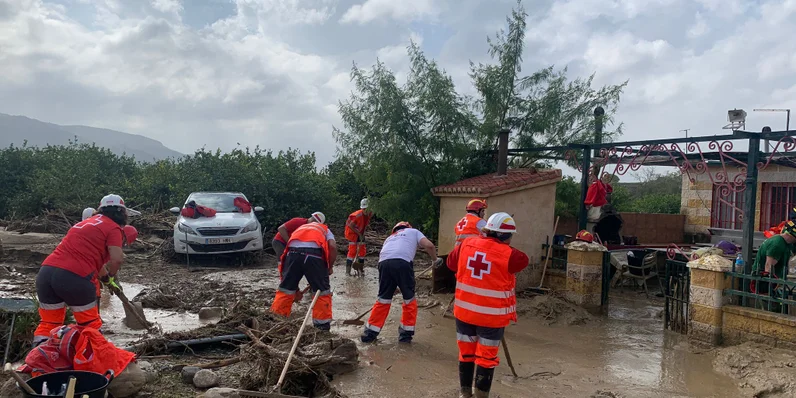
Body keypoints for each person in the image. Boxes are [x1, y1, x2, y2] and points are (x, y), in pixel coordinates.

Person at [446, 212, 529, 398]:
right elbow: (524, 260)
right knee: (486, 358)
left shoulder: (466, 245)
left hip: (464, 313)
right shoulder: (510, 255)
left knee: (466, 354)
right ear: (506, 236)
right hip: (491, 318)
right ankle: (482, 395)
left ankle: (464, 394)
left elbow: (451, 263)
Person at [33, 194, 130, 344]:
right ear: (121, 212)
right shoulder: (113, 228)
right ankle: (93, 362)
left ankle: (40, 358)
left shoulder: (83, 224)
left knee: (49, 324)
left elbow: (91, 261)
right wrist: (112, 274)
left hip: (46, 274)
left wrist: (106, 279)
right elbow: (117, 258)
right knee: (89, 326)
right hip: (74, 278)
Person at [360, 221, 438, 344]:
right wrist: (435, 260)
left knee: (383, 299)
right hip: (402, 263)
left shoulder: (389, 238)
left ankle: (370, 334)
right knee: (409, 300)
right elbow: (430, 246)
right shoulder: (414, 232)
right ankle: (405, 336)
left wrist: (393, 286)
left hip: (383, 264)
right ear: (408, 227)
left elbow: (389, 258)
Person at [270, 216, 337, 330]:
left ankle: (276, 320)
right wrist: (329, 267)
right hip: (314, 255)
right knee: (321, 291)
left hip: (292, 253)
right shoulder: (324, 229)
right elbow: (332, 246)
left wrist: (295, 290)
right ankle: (322, 327)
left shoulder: (301, 227)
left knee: (286, 288)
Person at [751, 220, 796, 312]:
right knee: (774, 310)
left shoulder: (786, 243)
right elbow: (768, 266)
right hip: (765, 283)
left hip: (777, 282)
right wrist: (771, 290)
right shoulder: (777, 244)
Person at [345, 198, 373, 276]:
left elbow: (365, 223)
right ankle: (347, 271)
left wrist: (362, 233)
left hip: (360, 232)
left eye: (366, 209)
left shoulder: (370, 214)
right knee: (352, 251)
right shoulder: (357, 215)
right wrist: (359, 234)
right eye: (364, 209)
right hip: (352, 233)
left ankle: (360, 269)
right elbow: (351, 225)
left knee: (362, 250)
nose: (365, 211)